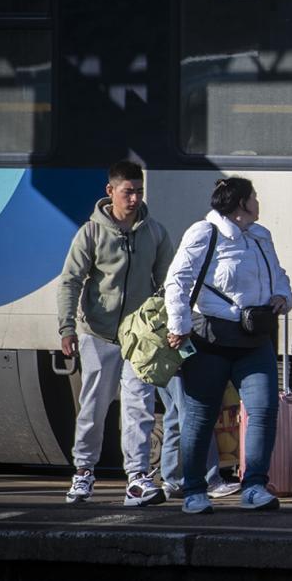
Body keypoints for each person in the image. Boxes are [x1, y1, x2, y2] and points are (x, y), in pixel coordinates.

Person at [164, 177, 292, 515]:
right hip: (211, 338)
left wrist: (283, 296)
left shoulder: (261, 235)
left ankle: (254, 487)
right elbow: (177, 280)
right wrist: (178, 325)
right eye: (254, 196)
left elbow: (278, 274)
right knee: (199, 415)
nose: (258, 201)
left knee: (264, 409)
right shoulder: (204, 233)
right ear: (241, 204)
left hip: (255, 337)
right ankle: (194, 490)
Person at [55, 160, 175, 506]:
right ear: (110, 192)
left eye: (139, 191)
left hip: (139, 339)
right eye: (128, 192)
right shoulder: (90, 233)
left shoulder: (155, 232)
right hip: (98, 334)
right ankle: (83, 473)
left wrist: (163, 325)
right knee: (93, 407)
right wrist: (67, 327)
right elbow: (70, 281)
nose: (135, 198)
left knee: (139, 408)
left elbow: (169, 282)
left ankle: (137, 478)